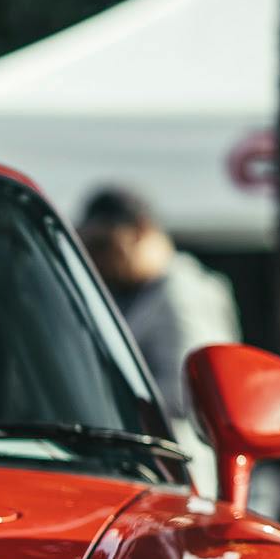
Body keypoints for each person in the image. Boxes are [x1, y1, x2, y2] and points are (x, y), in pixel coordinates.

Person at [76, 184, 246, 495]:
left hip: (181, 473)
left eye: (102, 246)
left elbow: (190, 394)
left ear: (139, 232)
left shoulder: (182, 294)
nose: (96, 260)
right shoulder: (145, 292)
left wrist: (104, 403)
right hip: (153, 469)